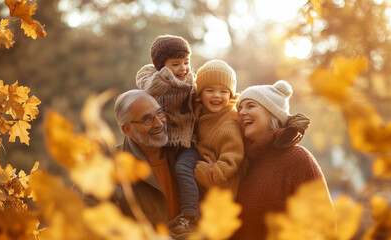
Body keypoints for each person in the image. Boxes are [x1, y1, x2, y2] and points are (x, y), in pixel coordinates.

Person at [230, 80, 332, 240]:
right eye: (239, 108)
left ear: (272, 113)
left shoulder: (297, 159)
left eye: (250, 106)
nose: (241, 112)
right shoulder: (240, 162)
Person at [135, 35, 199, 233]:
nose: (183, 69)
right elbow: (148, 90)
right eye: (176, 64)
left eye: (186, 62)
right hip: (162, 141)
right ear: (161, 66)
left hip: (187, 142)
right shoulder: (149, 76)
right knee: (163, 177)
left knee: (182, 169)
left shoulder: (190, 81)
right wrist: (165, 75)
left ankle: (190, 216)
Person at [114, 89, 180, 227]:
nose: (159, 124)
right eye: (147, 119)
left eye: (160, 113)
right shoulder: (110, 168)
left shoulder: (183, 152)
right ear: (127, 130)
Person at [192, 60, 245, 199]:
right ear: (200, 94)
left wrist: (213, 172)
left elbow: (233, 157)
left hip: (222, 183)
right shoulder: (201, 114)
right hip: (202, 183)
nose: (217, 95)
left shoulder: (229, 123)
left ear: (231, 95)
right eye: (210, 90)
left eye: (223, 91)